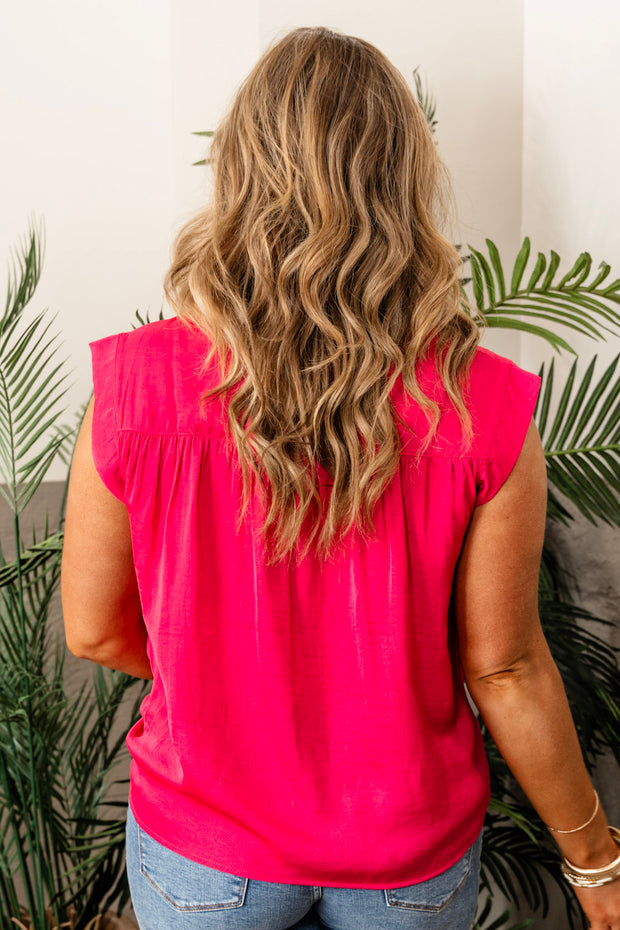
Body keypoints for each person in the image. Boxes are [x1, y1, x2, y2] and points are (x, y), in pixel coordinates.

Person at [60, 25, 620, 930]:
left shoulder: (131, 392)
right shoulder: (485, 407)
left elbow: (92, 630)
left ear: (239, 171)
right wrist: (595, 861)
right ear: (403, 186)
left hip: (205, 856)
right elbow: (507, 666)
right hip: (405, 861)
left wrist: (220, 687)